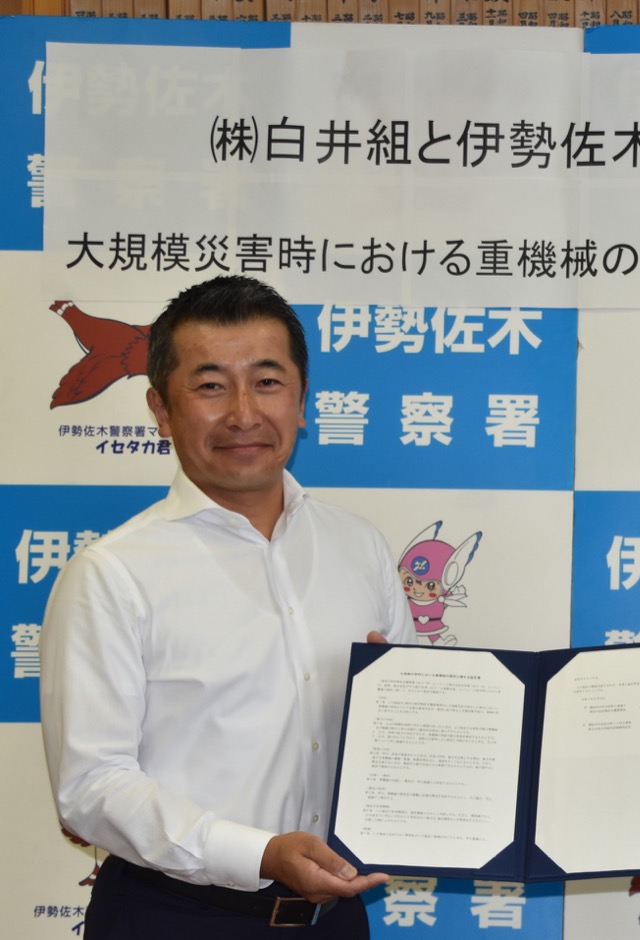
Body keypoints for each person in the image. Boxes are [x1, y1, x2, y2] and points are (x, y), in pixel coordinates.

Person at [40, 275, 417, 938]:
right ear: (161, 409)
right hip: (175, 916)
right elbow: (92, 788)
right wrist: (260, 853)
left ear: (301, 400)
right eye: (211, 386)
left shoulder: (359, 547)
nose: (244, 413)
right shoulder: (112, 574)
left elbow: (415, 721)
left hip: (336, 917)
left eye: (267, 382)